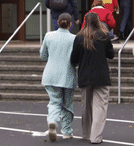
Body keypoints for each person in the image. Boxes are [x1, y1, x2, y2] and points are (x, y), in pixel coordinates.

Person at [70, 12, 114, 144]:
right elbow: (111, 55)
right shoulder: (104, 36)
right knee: (100, 107)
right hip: (101, 76)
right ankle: (95, 137)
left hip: (85, 76)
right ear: (98, 22)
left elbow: (74, 59)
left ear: (85, 22)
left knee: (86, 106)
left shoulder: (79, 38)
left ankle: (86, 133)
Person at [40, 13, 77, 142]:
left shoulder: (48, 36)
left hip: (51, 75)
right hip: (68, 75)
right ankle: (67, 131)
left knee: (54, 102)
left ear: (58, 22)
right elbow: (76, 58)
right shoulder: (74, 38)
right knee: (67, 104)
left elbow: (43, 55)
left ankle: (52, 120)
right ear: (70, 24)